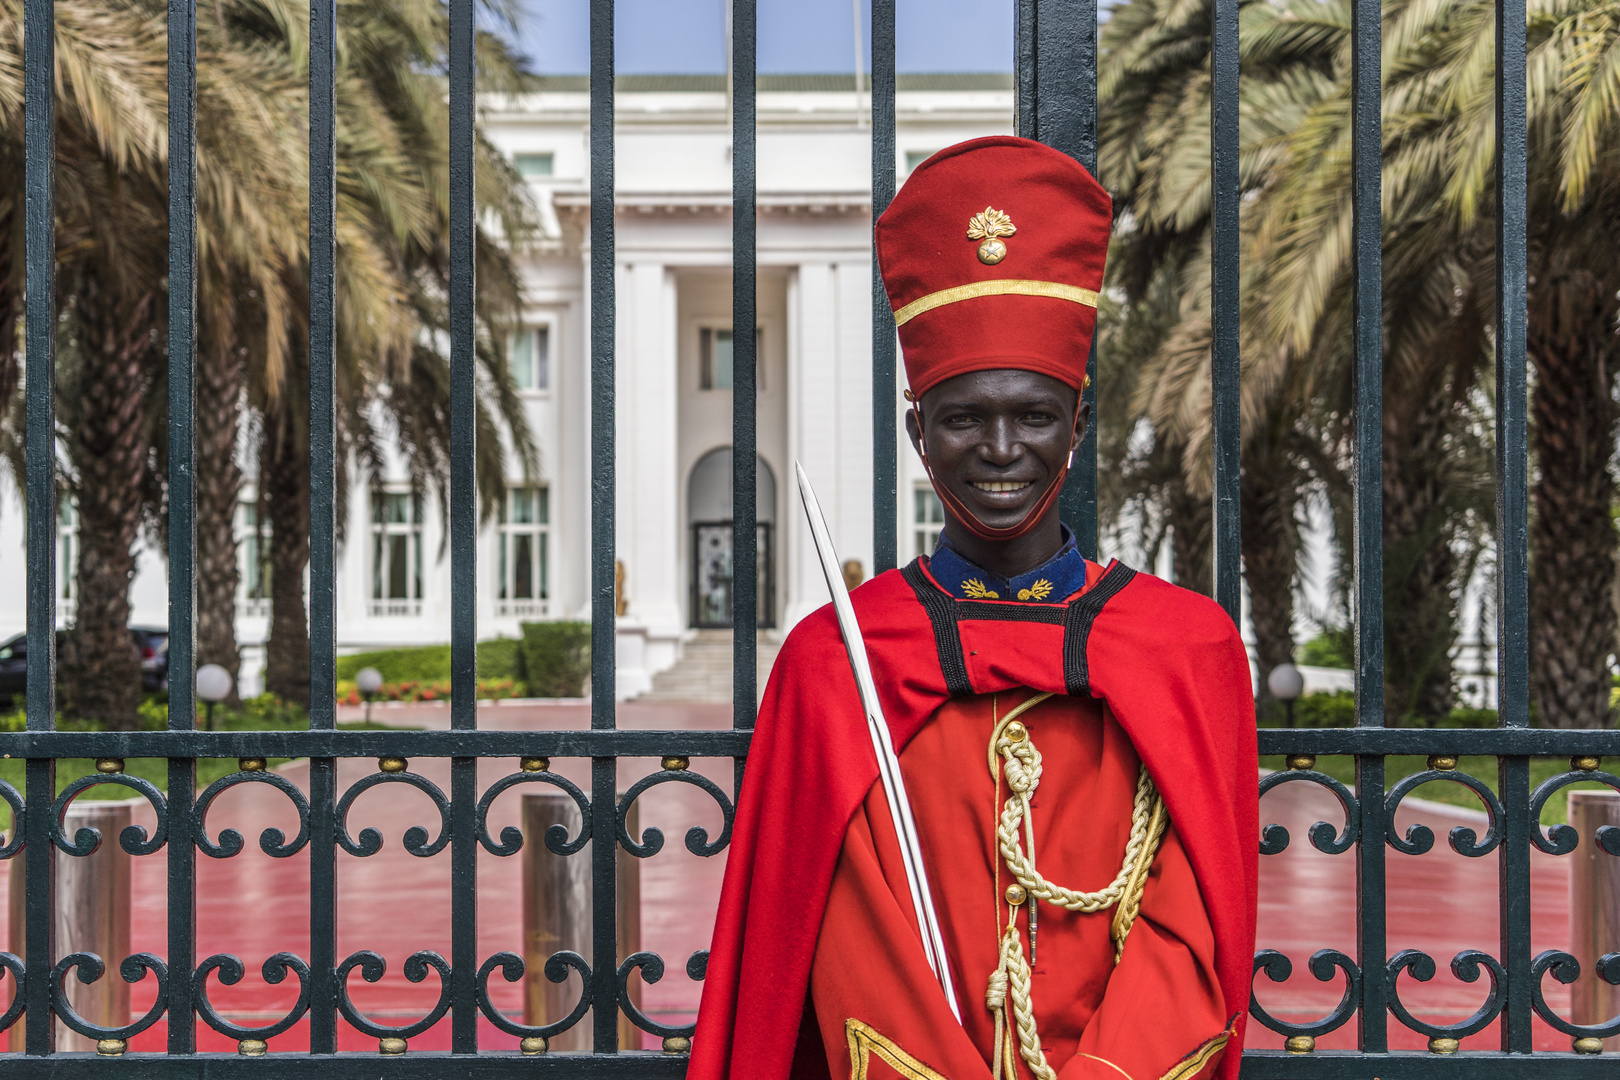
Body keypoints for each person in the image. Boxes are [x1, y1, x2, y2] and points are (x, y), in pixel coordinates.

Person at [691, 136, 1257, 1080]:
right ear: (920, 433)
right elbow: (842, 937)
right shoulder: (839, 659)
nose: (1001, 448)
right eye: (963, 418)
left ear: (1078, 424)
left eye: (1033, 415)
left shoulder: (1184, 648)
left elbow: (1194, 926)